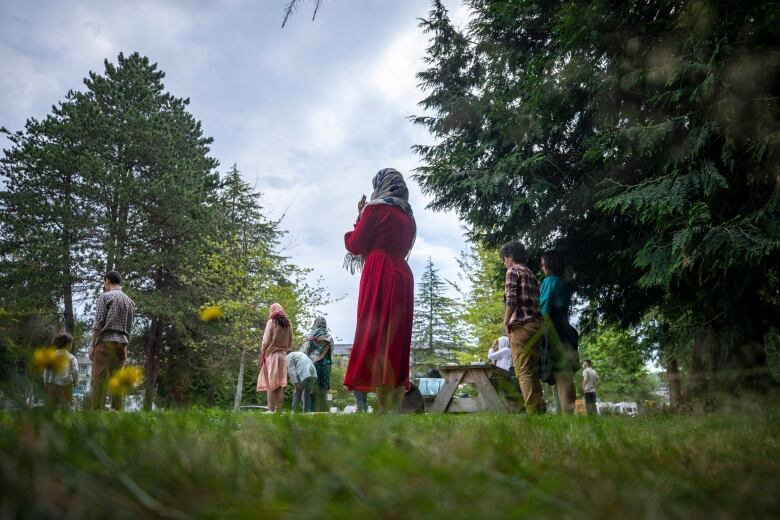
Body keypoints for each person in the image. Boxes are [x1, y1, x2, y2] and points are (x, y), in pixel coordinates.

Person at [343, 168, 416, 413]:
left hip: (379, 270)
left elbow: (356, 244)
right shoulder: (408, 216)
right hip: (402, 275)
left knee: (373, 330)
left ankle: (379, 404)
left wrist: (359, 217)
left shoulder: (375, 209)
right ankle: (390, 404)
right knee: (395, 336)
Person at [501, 241, 544, 414]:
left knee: (523, 371)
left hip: (522, 325)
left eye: (505, 259)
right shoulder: (531, 273)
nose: (504, 263)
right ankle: (540, 409)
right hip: (537, 325)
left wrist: (506, 322)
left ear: (510, 256)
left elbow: (511, 299)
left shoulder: (512, 271)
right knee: (532, 369)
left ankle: (533, 412)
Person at [539, 251, 579, 415]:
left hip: (554, 328)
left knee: (560, 374)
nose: (541, 268)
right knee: (566, 374)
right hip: (566, 328)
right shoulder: (563, 283)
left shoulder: (549, 281)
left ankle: (566, 416)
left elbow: (544, 307)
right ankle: (568, 412)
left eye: (542, 264)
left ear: (549, 265)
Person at [90, 271, 135, 411]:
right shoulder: (130, 302)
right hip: (123, 344)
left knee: (99, 379)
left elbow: (98, 324)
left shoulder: (105, 297)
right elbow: (130, 327)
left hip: (106, 342)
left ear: (107, 281)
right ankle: (116, 412)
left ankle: (95, 413)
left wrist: (92, 345)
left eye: (104, 282)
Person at [257, 304, 292, 412]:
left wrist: (263, 350)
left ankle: (271, 411)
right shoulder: (288, 325)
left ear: (272, 310)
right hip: (283, 356)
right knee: (280, 386)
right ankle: (279, 411)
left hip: (272, 356)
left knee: (271, 386)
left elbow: (266, 341)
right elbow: (290, 342)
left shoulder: (271, 322)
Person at [300, 316, 334, 412]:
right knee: (323, 392)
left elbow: (303, 351)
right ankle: (324, 415)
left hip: (311, 366)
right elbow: (331, 350)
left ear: (315, 323)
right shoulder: (329, 337)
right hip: (325, 367)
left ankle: (310, 413)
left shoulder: (310, 336)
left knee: (310, 391)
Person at [43, 332, 79, 409]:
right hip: (66, 385)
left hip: (52, 384)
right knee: (66, 407)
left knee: (51, 407)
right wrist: (75, 380)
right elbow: (75, 370)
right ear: (68, 344)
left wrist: (46, 382)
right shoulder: (71, 357)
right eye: (71, 344)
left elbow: (47, 370)